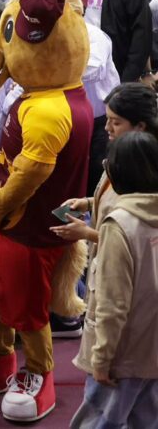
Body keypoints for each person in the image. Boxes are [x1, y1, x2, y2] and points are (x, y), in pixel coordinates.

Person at [68, 131, 158, 428]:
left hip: (122, 355)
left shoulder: (119, 225)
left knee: (97, 422)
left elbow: (113, 303)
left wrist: (102, 358)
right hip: (152, 350)